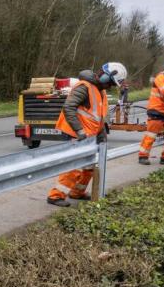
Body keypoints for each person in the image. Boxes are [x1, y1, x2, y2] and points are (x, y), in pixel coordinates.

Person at [47, 62, 127, 207]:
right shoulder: (84, 86)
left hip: (89, 136)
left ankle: (77, 193)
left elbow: (99, 118)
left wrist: (102, 138)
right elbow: (68, 107)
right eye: (110, 83)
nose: (110, 86)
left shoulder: (100, 91)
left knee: (89, 167)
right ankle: (55, 196)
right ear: (104, 77)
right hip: (75, 133)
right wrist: (79, 131)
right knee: (74, 167)